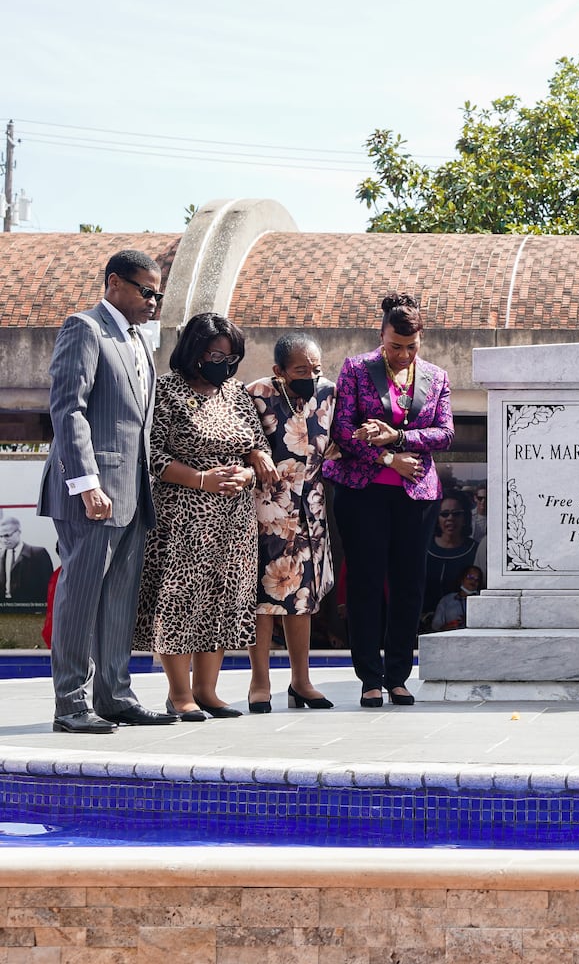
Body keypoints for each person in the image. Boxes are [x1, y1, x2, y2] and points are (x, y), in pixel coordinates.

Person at [38, 249, 177, 733]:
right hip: (91, 491)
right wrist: (86, 484)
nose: (154, 301)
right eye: (146, 291)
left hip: (132, 491)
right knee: (79, 598)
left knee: (118, 599)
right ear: (115, 282)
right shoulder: (85, 327)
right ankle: (71, 704)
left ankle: (115, 696)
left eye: (158, 293)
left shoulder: (138, 338)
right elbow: (68, 410)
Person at [135, 312, 274, 720]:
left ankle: (207, 691)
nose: (224, 365)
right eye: (216, 355)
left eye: (232, 359)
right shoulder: (167, 390)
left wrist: (250, 469)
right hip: (183, 515)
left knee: (221, 598)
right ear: (194, 350)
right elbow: (154, 456)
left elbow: (256, 444)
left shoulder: (234, 393)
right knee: (180, 601)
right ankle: (180, 694)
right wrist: (201, 480)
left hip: (233, 518)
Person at [323, 294, 454, 708]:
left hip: (416, 495)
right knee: (364, 582)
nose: (403, 354)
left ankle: (398, 675)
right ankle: (369, 678)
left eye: (411, 346)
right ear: (381, 335)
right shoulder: (356, 369)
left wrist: (399, 437)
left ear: (421, 339)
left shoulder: (437, 377)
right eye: (395, 345)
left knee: (409, 586)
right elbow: (343, 430)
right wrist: (386, 458)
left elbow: (445, 433)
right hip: (363, 492)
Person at [245, 333, 338, 712]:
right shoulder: (254, 394)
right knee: (263, 598)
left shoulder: (330, 393)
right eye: (301, 370)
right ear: (279, 371)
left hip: (310, 506)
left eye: (316, 368)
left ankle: (301, 681)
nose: (311, 376)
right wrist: (254, 453)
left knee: (303, 597)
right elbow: (239, 440)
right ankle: (260, 682)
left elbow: (340, 438)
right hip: (266, 509)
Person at [424, 494, 479, 620]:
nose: (450, 518)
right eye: (444, 514)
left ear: (465, 518)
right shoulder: (424, 548)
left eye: (456, 514)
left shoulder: (474, 550)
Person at [0, 514, 55, 606]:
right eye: (0, 536)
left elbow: (49, 585)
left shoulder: (38, 554)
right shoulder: (1, 556)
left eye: (7, 535)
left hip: (32, 609)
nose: (3, 540)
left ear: (18, 532)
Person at [432, 565, 483, 631]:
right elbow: (435, 626)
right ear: (462, 579)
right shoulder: (447, 600)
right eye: (470, 577)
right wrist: (447, 627)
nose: (473, 581)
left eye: (477, 580)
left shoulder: (482, 601)